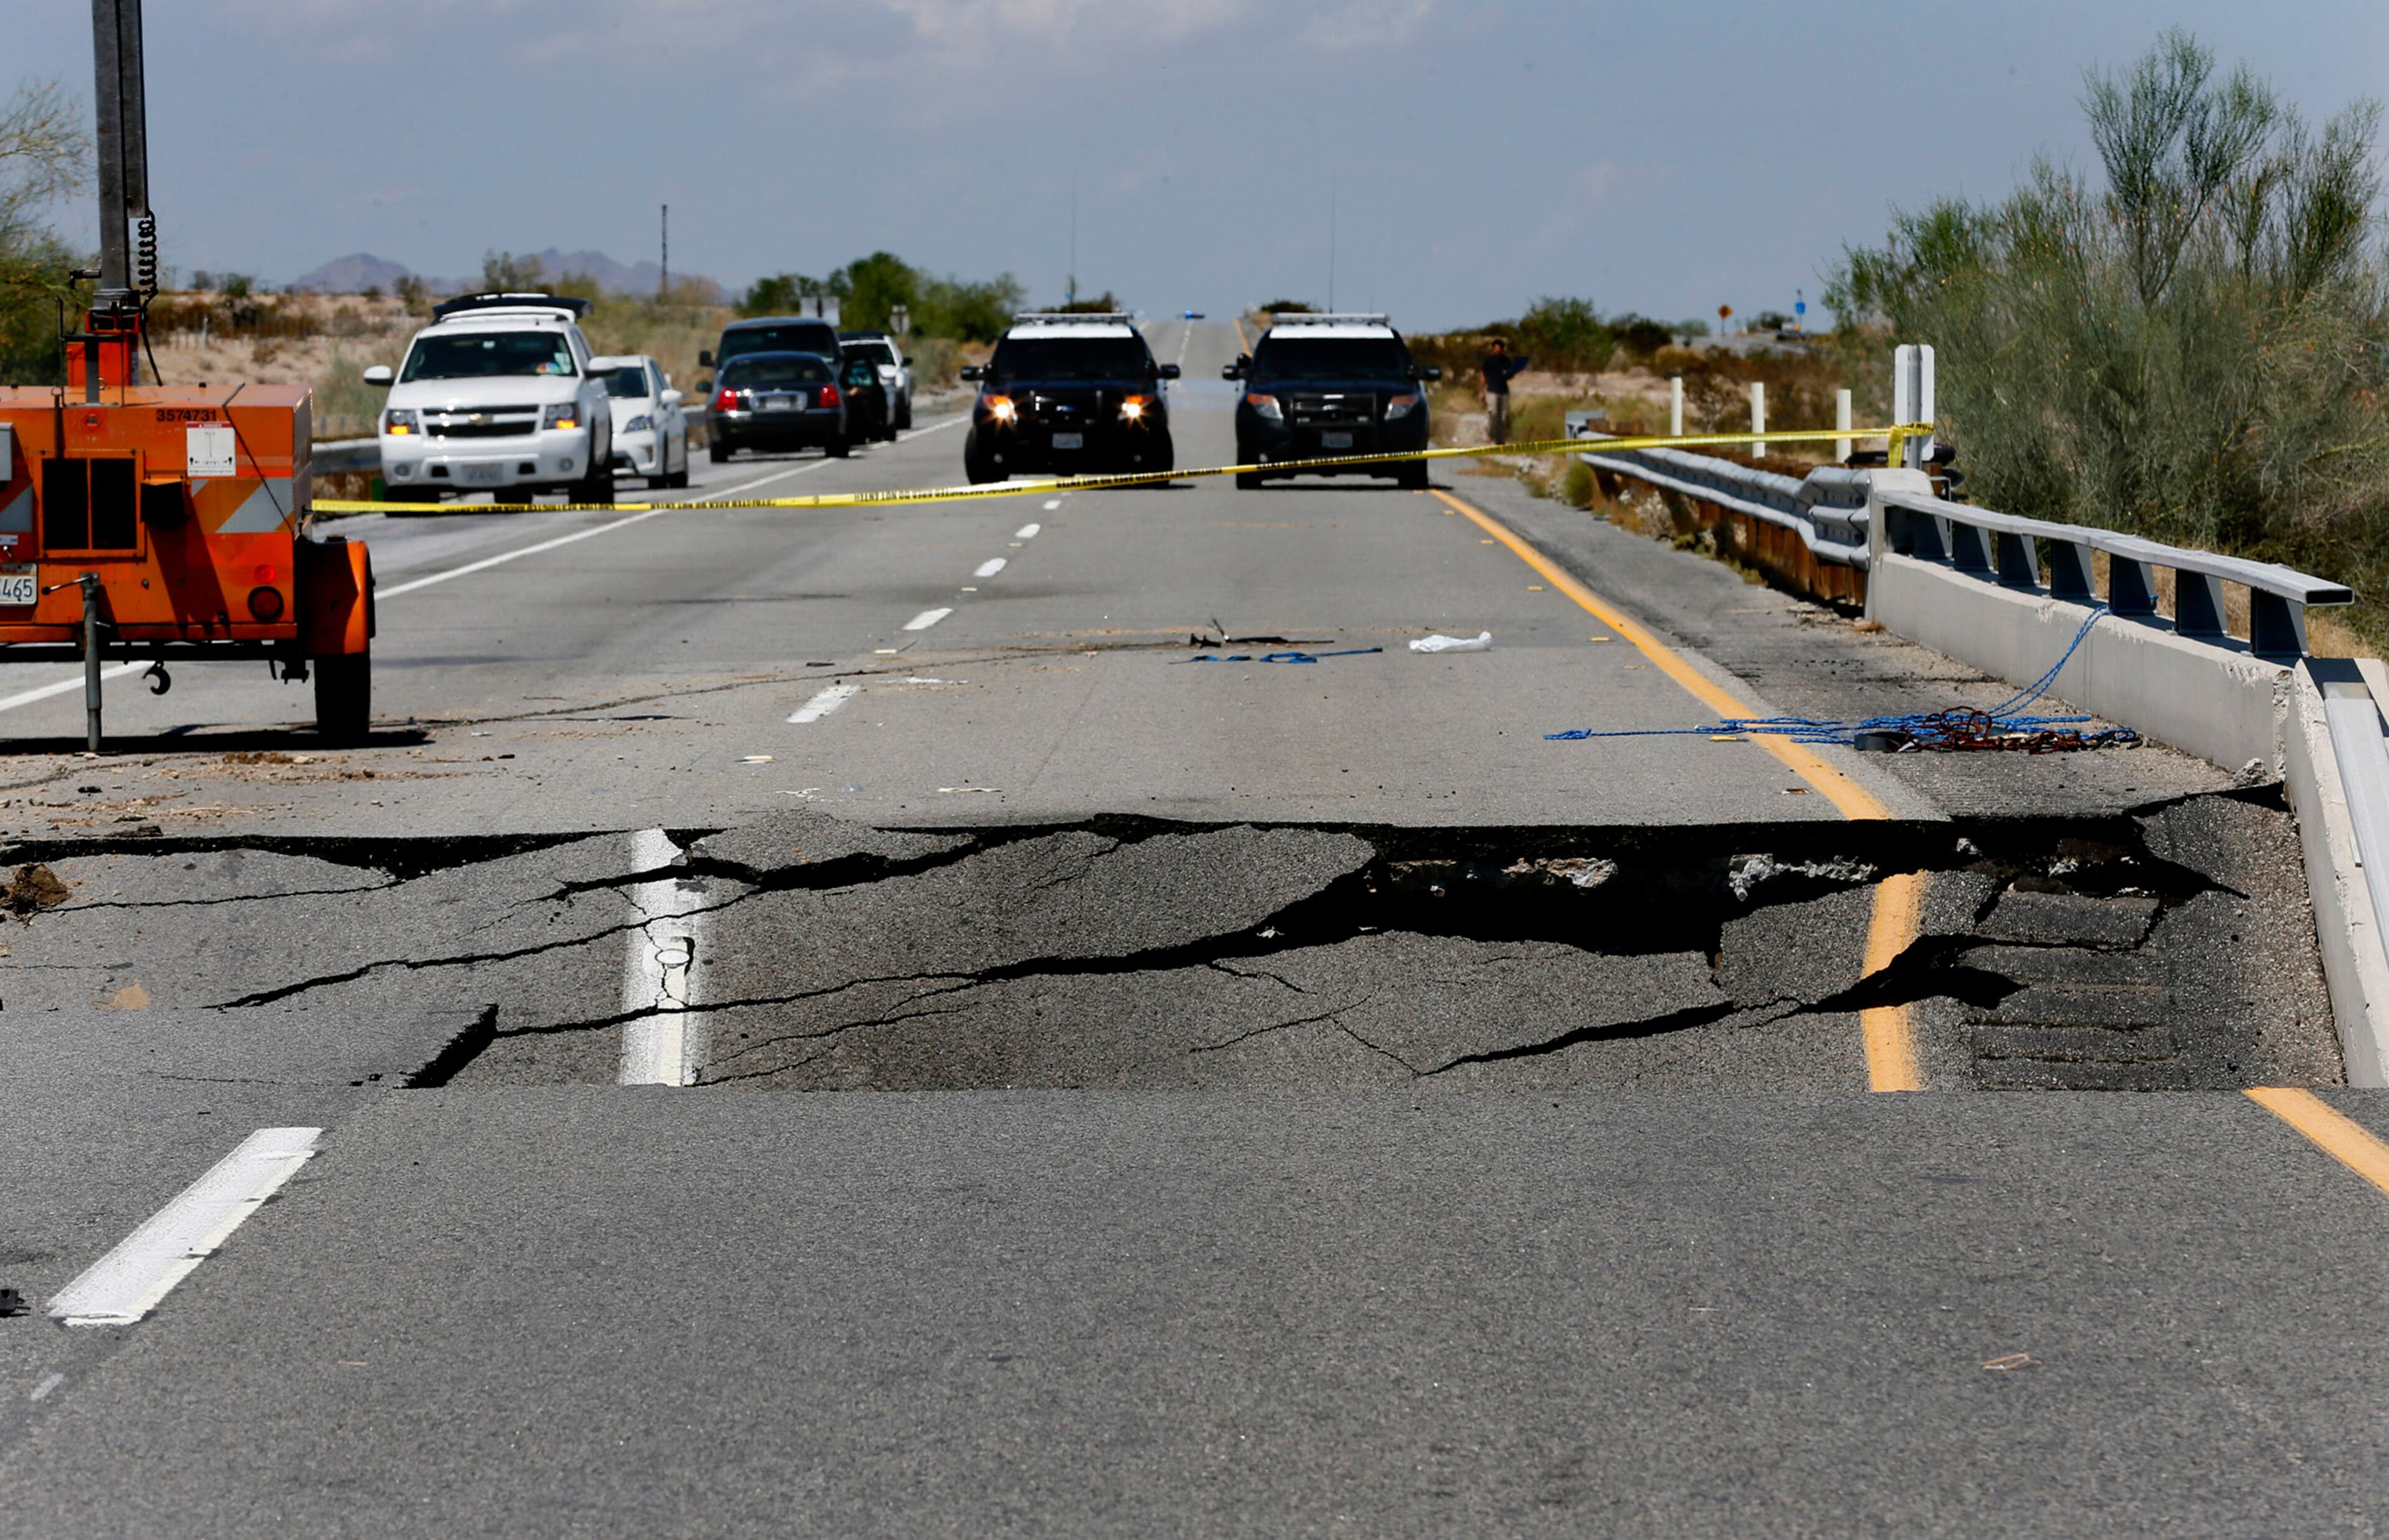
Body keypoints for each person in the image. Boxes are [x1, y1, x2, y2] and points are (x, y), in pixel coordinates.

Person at [1480, 338, 1529, 445]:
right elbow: (1483, 376)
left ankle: (1500, 439)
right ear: (1493, 349)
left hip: (1504, 391)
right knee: (1493, 413)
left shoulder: (1506, 361)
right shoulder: (1488, 361)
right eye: (1496, 348)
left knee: (1503, 416)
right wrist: (1481, 391)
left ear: (1502, 349)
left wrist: (1515, 372)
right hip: (1492, 390)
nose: (1498, 350)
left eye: (1500, 348)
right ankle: (1489, 435)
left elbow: (1509, 376)